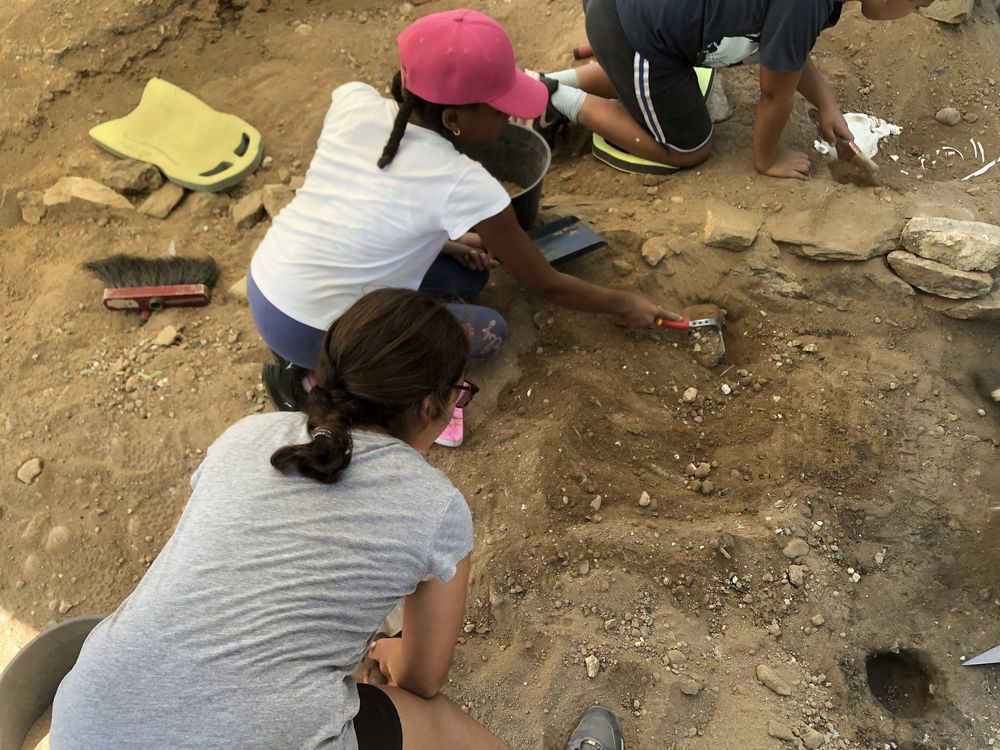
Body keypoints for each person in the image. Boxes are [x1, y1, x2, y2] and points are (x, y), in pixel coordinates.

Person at [50, 289, 626, 750]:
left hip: (86, 718)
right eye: (460, 393)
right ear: (433, 404)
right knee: (432, 720)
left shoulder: (243, 437)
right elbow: (423, 679)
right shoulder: (435, 505)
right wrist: (392, 653)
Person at [248, 8, 676, 446]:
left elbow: (368, 209)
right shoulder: (466, 183)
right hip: (314, 331)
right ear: (454, 119)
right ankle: (317, 383)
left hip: (268, 284)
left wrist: (450, 243)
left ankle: (323, 358)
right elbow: (545, 284)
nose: (511, 117)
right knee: (487, 334)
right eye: (501, 109)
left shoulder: (352, 101)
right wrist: (624, 304)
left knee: (466, 276)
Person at [532, 0, 931, 178]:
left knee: (649, 78)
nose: (912, 13)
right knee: (689, 149)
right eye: (917, 4)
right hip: (633, 32)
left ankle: (548, 83)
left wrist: (826, 103)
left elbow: (787, 51)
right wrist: (767, 157)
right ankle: (551, 97)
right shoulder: (807, 4)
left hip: (644, 23)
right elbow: (775, 93)